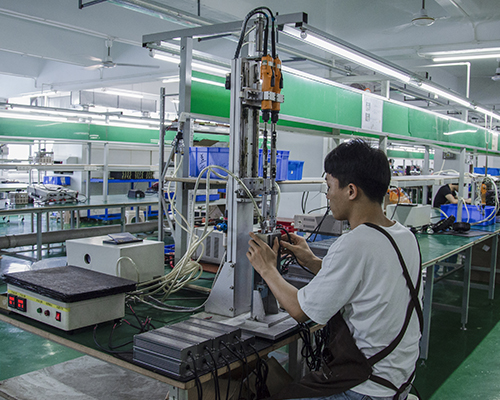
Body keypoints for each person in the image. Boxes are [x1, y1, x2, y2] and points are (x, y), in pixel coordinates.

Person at [247, 139, 422, 400]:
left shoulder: (355, 242)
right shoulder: (404, 235)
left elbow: (300, 311)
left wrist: (267, 269)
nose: (327, 195)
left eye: (329, 186)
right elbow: (366, 281)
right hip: (398, 380)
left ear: (351, 191)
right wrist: (311, 261)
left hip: (366, 388)